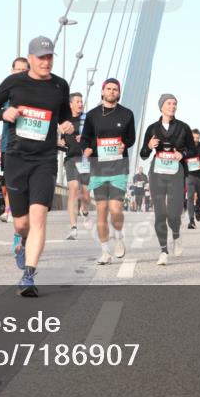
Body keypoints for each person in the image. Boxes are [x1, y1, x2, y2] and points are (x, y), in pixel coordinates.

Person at [0, 36, 74, 297]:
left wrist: (67, 126)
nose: (46, 62)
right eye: (41, 57)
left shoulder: (60, 85)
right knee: (21, 223)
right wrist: (4, 113)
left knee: (38, 217)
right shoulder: (15, 82)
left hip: (45, 160)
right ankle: (22, 241)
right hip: (16, 158)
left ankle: (29, 275)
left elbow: (65, 116)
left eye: (50, 57)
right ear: (31, 58)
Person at [81, 78, 136, 265]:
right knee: (102, 210)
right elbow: (86, 138)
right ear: (103, 91)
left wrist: (124, 144)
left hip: (119, 167)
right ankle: (105, 251)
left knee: (115, 209)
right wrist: (86, 149)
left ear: (118, 93)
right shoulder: (92, 115)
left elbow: (131, 138)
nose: (112, 92)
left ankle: (119, 236)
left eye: (115, 89)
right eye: (109, 89)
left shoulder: (127, 114)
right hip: (98, 167)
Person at [139, 94, 193, 265]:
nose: (172, 106)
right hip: (157, 173)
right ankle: (163, 250)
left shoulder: (183, 127)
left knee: (174, 214)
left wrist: (182, 154)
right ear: (161, 107)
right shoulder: (152, 128)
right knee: (160, 213)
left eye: (175, 103)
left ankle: (176, 235)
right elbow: (143, 154)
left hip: (176, 173)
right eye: (169, 103)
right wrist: (149, 147)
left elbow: (193, 150)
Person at [0, 57, 31, 224]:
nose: (21, 73)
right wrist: (5, 112)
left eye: (25, 69)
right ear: (12, 71)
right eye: (18, 69)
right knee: (10, 182)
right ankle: (10, 211)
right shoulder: (6, 91)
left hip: (31, 146)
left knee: (27, 185)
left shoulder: (36, 92)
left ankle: (25, 212)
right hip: (8, 145)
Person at [59, 92, 90, 241]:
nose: (80, 103)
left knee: (85, 194)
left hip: (84, 159)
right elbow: (60, 141)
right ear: (70, 104)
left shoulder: (87, 119)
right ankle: (73, 228)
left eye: (81, 101)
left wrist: (85, 139)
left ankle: (85, 209)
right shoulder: (64, 121)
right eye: (77, 101)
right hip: (71, 159)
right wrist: (59, 142)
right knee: (73, 189)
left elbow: (95, 138)